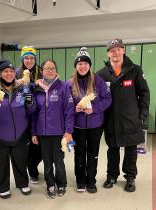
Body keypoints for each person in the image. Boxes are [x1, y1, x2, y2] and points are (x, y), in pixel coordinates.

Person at [97, 38, 150, 192]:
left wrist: (143, 113)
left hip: (131, 118)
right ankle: (112, 175)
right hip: (111, 119)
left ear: (123, 50)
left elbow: (144, 93)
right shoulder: (101, 74)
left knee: (131, 149)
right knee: (112, 149)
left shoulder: (135, 70)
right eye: (112, 50)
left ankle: (130, 177)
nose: (116, 53)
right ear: (108, 53)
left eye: (119, 49)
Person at [0, 59, 35, 199]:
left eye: (11, 71)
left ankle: (22, 183)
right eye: (5, 71)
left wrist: (30, 101)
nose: (8, 74)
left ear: (14, 73)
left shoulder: (23, 88)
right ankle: (2, 186)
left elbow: (32, 109)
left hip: (20, 133)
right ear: (0, 73)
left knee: (20, 160)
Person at [69, 47, 111, 193]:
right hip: (77, 126)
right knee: (79, 153)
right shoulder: (69, 83)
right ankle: (80, 181)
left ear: (89, 65)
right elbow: (65, 104)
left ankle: (91, 181)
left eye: (86, 63)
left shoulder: (98, 80)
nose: (83, 66)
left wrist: (94, 109)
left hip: (95, 125)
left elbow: (107, 99)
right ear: (76, 66)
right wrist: (74, 109)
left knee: (93, 153)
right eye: (80, 64)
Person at [31, 59, 74, 198]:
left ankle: (61, 183)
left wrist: (68, 132)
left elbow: (69, 111)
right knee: (47, 161)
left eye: (52, 68)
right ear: (42, 71)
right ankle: (50, 184)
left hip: (58, 133)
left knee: (59, 161)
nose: (50, 71)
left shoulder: (63, 87)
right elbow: (33, 113)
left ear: (56, 70)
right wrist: (34, 132)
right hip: (42, 133)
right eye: (47, 68)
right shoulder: (36, 89)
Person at [16, 46, 43, 184]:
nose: (29, 60)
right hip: (21, 113)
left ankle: (33, 165)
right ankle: (31, 171)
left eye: (32, 57)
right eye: (26, 57)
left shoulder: (41, 72)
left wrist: (36, 83)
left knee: (39, 145)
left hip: (39, 112)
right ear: (22, 59)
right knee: (27, 146)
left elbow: (49, 85)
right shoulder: (15, 73)